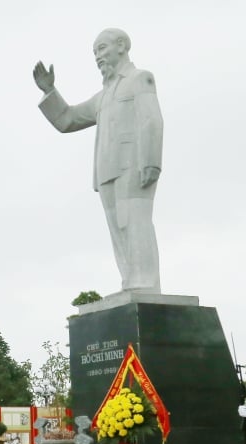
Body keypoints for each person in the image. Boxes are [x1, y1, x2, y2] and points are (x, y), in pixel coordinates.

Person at [33, 28, 163, 293]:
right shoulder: (102, 96)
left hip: (134, 165)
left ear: (122, 46)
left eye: (102, 49)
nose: (97, 57)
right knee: (117, 230)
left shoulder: (140, 79)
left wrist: (151, 162)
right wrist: (50, 91)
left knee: (135, 222)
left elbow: (152, 119)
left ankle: (146, 284)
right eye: (95, 52)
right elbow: (67, 119)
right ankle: (130, 281)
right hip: (106, 171)